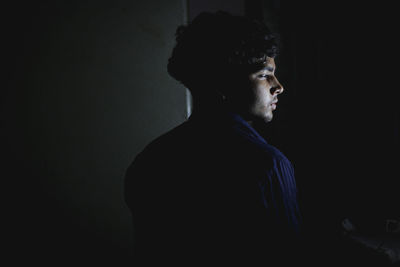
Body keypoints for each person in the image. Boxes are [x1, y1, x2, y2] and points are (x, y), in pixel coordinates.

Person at [124, 11, 302, 265]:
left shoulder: (150, 158)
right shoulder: (267, 166)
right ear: (222, 81)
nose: (278, 86)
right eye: (264, 75)